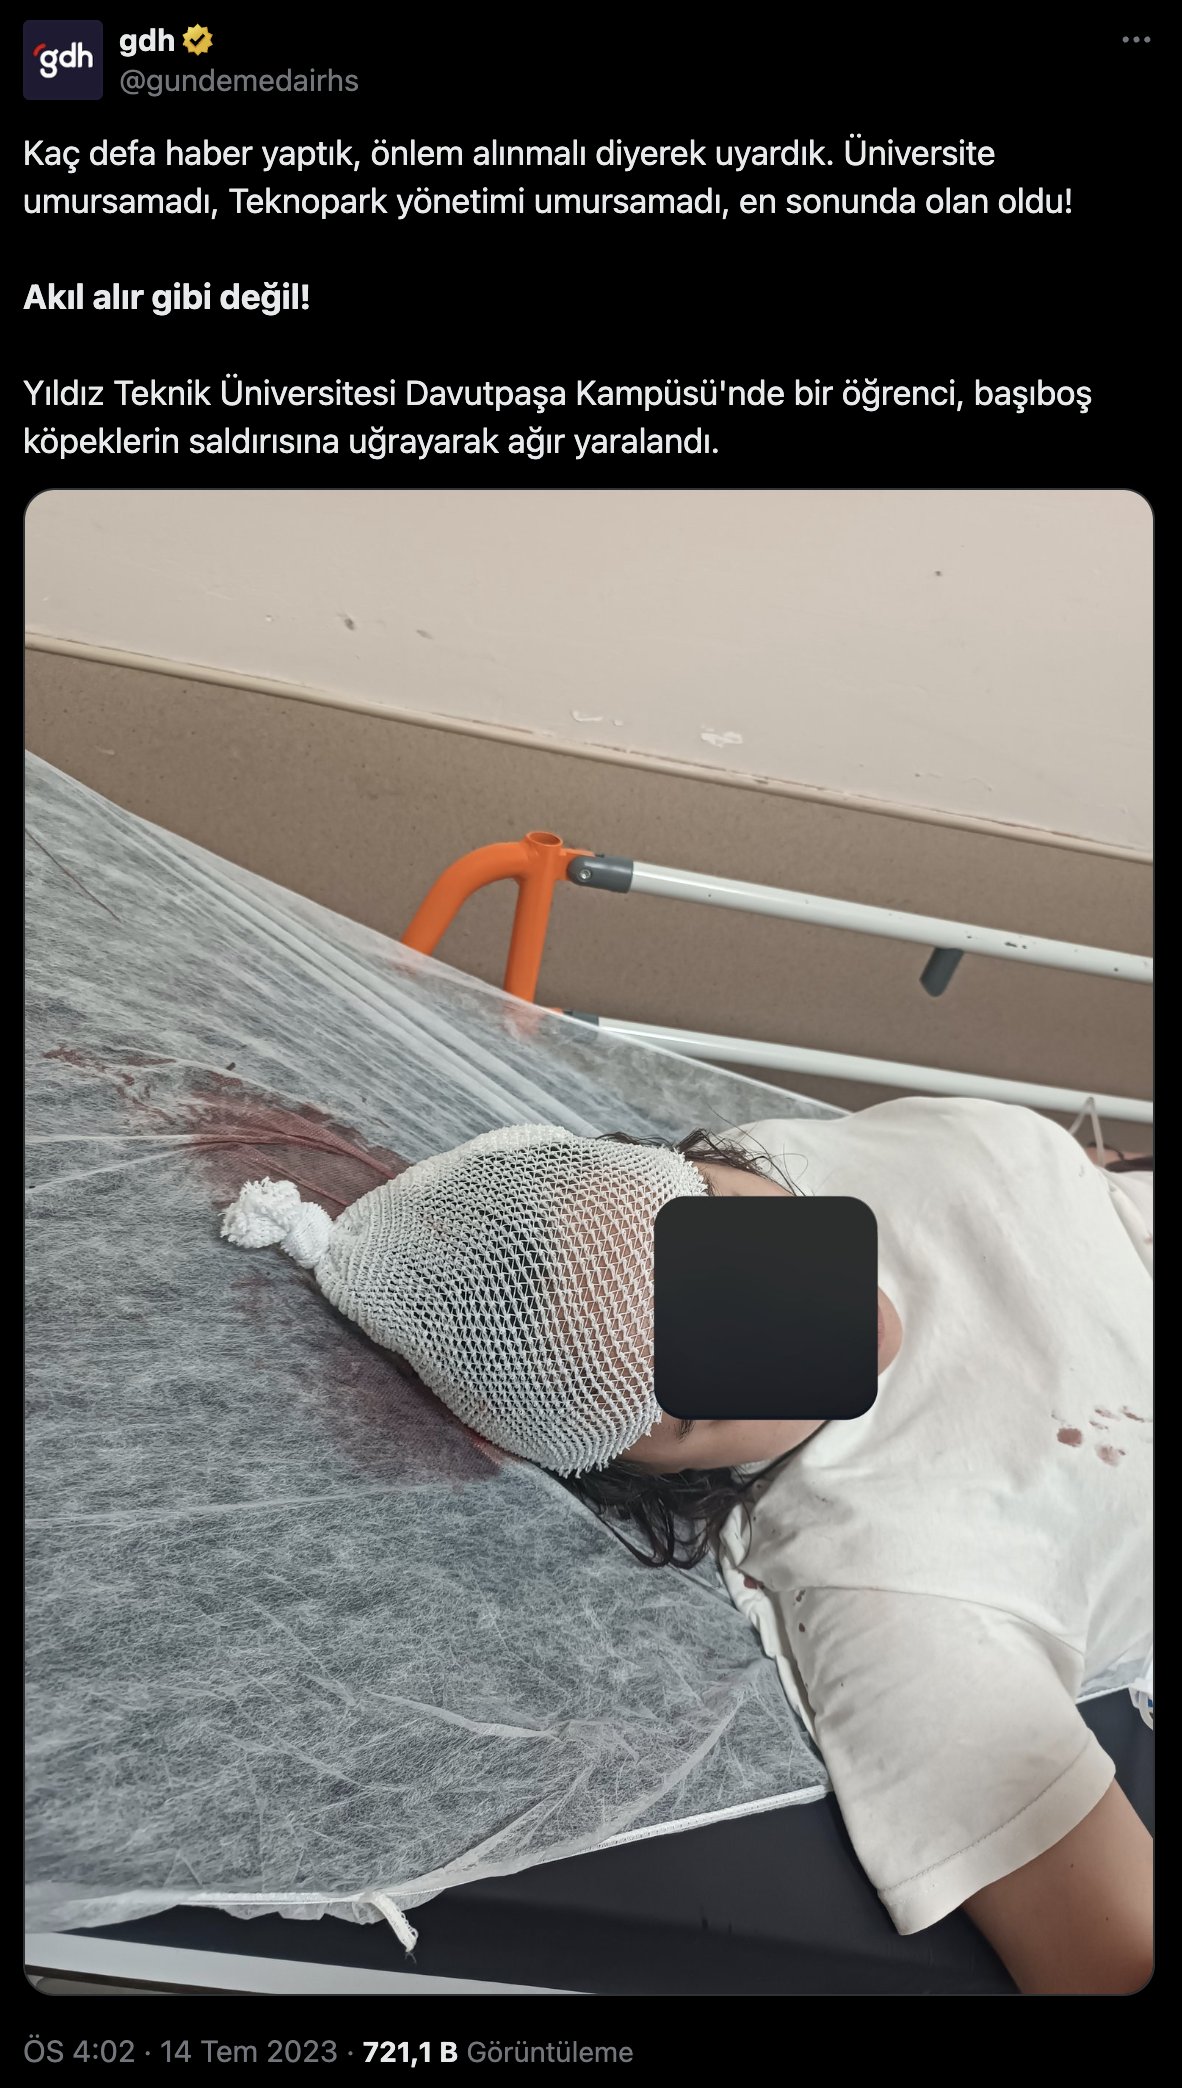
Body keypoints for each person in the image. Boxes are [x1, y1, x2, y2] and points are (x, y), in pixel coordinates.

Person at [222, 1095, 1152, 1995]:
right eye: (707, 1378)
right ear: (664, 1475)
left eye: (718, 1247)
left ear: (711, 1163)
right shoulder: (890, 1587)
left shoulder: (792, 1162)